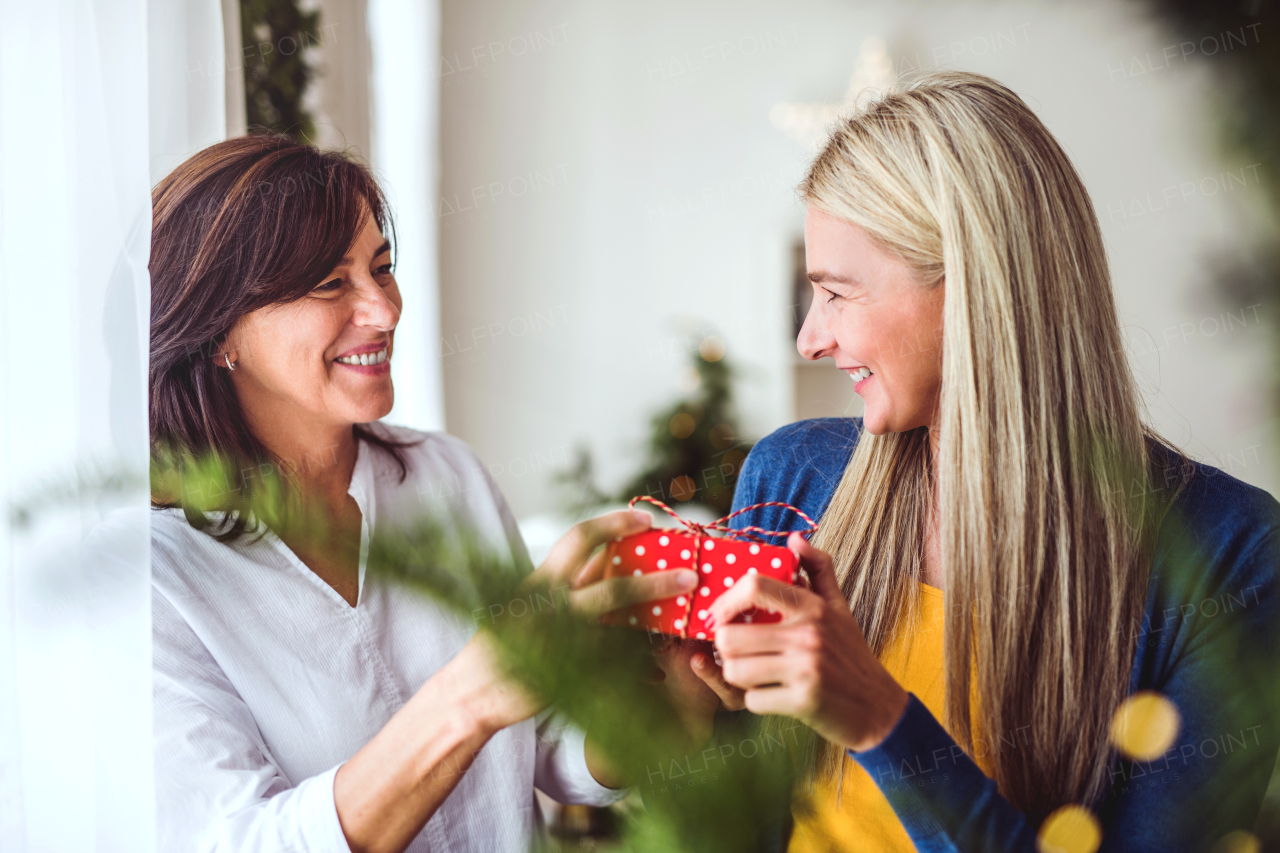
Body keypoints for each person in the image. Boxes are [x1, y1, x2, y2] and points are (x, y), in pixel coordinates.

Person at [697, 71, 1280, 852]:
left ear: (972, 289)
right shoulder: (789, 482)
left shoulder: (1232, 556)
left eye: (837, 293)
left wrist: (880, 720)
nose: (810, 338)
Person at [146, 135, 724, 853]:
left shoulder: (445, 475)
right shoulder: (156, 584)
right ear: (219, 329)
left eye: (382, 269)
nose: (384, 311)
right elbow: (246, 840)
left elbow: (542, 745)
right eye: (332, 283)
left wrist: (674, 700)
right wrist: (473, 693)